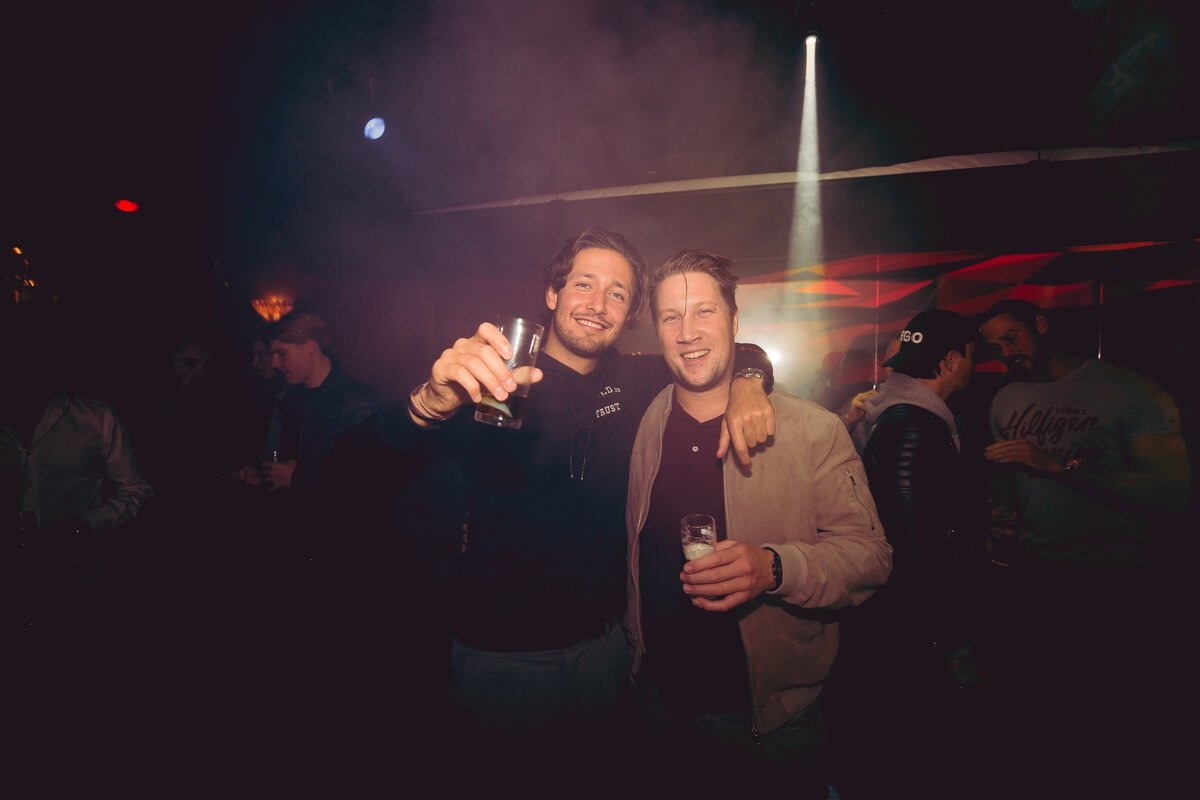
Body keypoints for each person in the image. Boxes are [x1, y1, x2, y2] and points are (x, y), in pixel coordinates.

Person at [374, 227, 777, 782]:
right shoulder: (497, 378)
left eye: (617, 293)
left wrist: (750, 382)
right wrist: (427, 403)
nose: (598, 303)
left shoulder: (638, 378)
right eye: (585, 284)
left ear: (630, 313)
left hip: (606, 654)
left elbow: (731, 351)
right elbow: (377, 469)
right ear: (552, 293)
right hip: (501, 659)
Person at [623, 249, 892, 797]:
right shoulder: (645, 417)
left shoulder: (812, 428)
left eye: (704, 311)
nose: (687, 333)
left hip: (768, 721)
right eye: (671, 317)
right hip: (657, 702)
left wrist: (773, 568)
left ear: (734, 320)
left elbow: (871, 557)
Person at [978, 298, 1190, 797]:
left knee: (1112, 720)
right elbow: (1005, 474)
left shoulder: (1128, 391)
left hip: (1115, 580)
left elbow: (1173, 494)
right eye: (994, 347)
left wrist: (1060, 466)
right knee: (1045, 715)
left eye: (1011, 338)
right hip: (1036, 573)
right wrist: (1001, 517)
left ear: (1041, 325)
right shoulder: (1005, 399)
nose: (1005, 353)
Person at [842, 309, 985, 798]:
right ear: (950, 361)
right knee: (908, 740)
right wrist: (954, 641)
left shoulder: (899, 414)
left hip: (895, 609)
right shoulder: (913, 426)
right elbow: (915, 544)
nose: (975, 366)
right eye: (973, 356)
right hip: (907, 616)